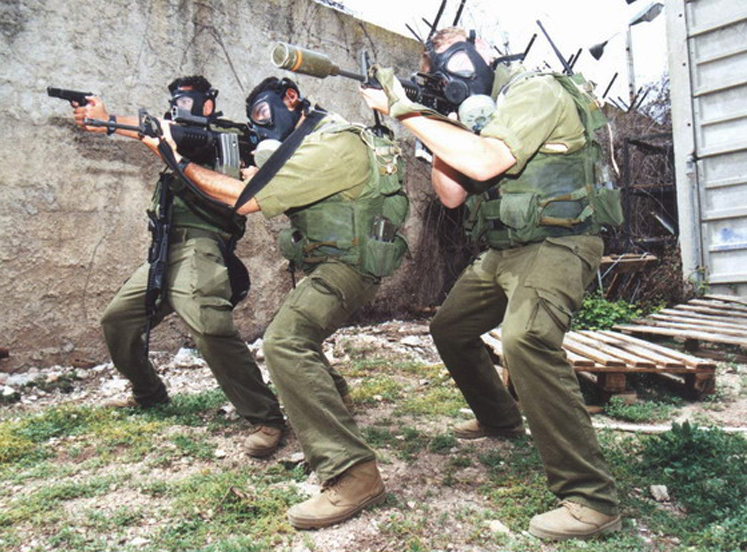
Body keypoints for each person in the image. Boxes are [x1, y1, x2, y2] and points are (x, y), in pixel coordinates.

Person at [361, 28, 623, 540]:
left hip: (560, 242)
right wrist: (438, 123)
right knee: (450, 328)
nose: (454, 74)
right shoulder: (480, 112)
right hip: (506, 250)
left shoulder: (534, 90)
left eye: (455, 59)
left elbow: (486, 161)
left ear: (480, 52)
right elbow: (452, 194)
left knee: (526, 341)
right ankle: (500, 419)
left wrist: (402, 109)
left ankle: (592, 500)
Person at [141, 76, 409, 529]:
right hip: (332, 262)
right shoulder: (314, 142)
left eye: (264, 114)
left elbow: (243, 202)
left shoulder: (333, 143)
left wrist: (173, 156)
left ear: (291, 99)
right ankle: (334, 401)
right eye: (254, 122)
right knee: (299, 334)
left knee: (285, 340)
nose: (261, 126)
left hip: (350, 265)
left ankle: (354, 475)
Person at [71, 75, 286, 458]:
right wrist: (107, 122)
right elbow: (161, 131)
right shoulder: (180, 139)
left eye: (187, 102)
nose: (178, 108)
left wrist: (110, 121)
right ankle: (149, 393)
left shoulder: (228, 138)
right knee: (118, 320)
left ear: (207, 105)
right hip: (165, 249)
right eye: (175, 102)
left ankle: (266, 417)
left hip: (201, 246)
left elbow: (164, 133)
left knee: (210, 327)